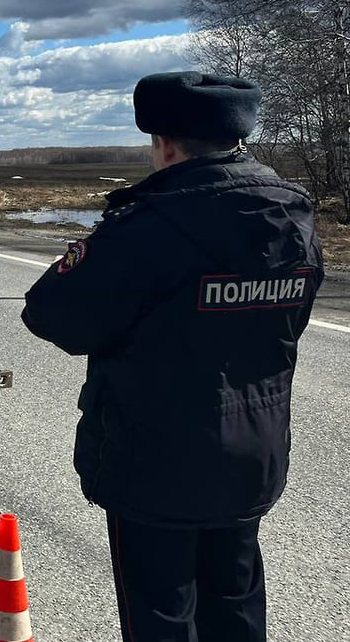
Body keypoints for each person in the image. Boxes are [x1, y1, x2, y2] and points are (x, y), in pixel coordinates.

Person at [21, 71, 324, 642]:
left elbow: (52, 315)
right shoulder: (294, 217)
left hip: (155, 461)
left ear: (164, 144)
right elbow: (293, 320)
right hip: (252, 453)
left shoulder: (148, 226)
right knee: (234, 604)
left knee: (160, 615)